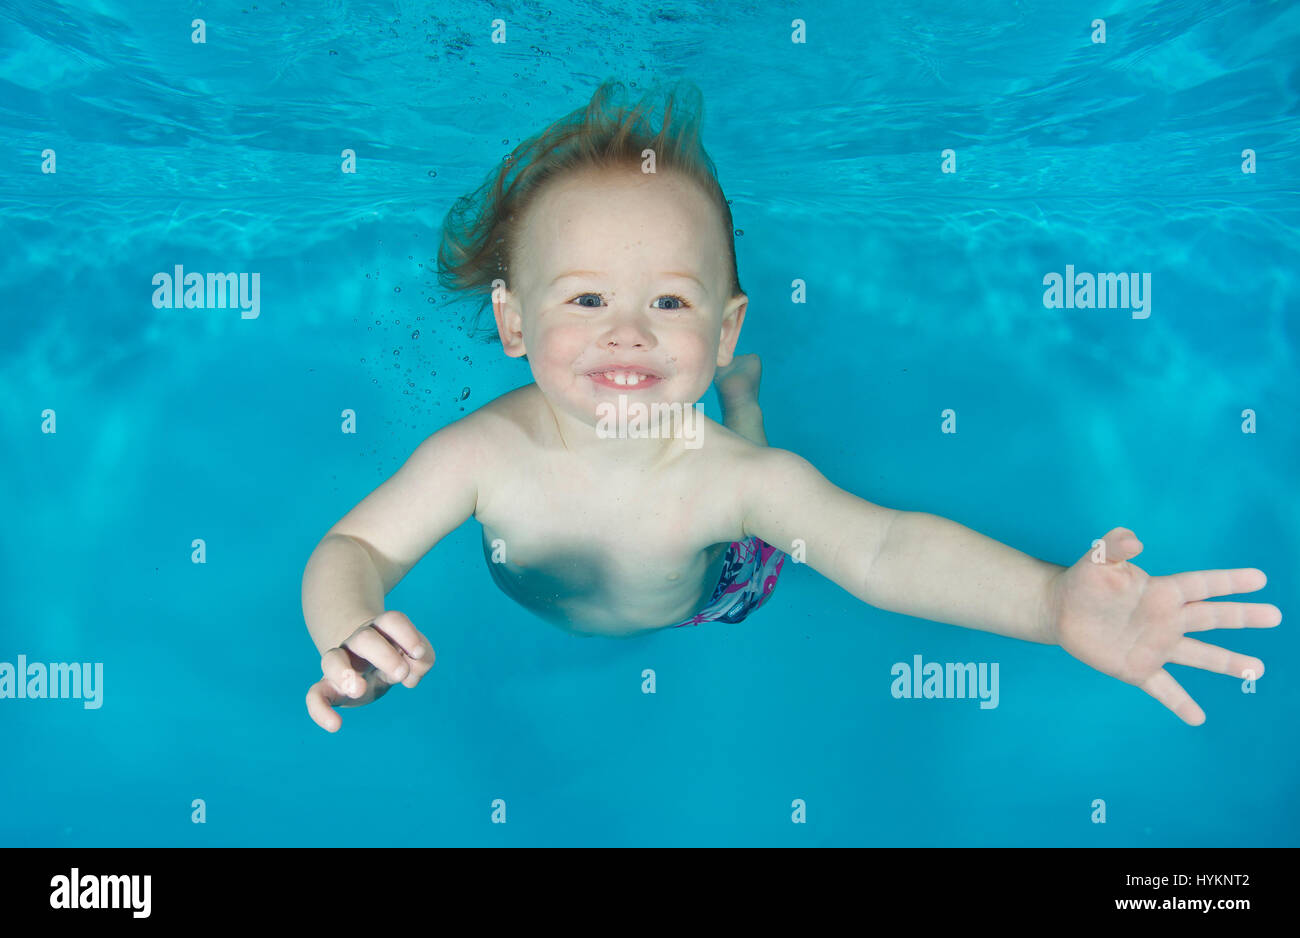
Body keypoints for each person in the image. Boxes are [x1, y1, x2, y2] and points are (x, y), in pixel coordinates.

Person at [302, 79, 1278, 733]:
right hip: (597, 582)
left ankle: (744, 403)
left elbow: (882, 550)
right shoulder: (474, 453)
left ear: (724, 327)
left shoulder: (736, 486)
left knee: (763, 484)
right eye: (587, 298)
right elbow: (353, 549)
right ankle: (743, 400)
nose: (629, 333)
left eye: (671, 302)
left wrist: (1048, 603)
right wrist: (347, 624)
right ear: (512, 323)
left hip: (715, 591)